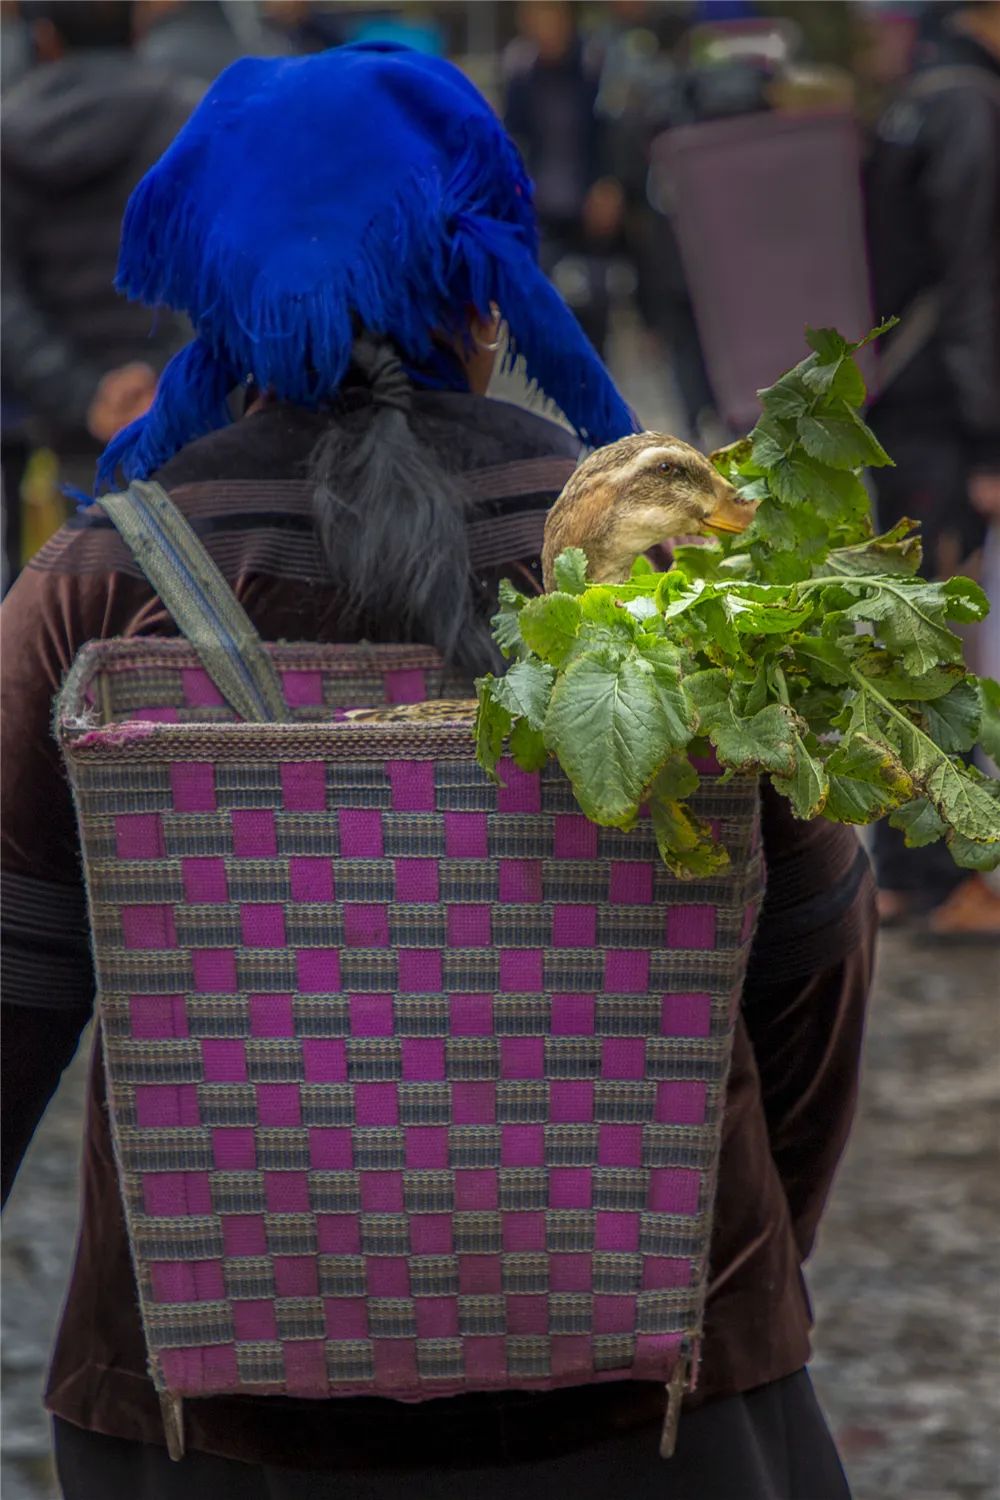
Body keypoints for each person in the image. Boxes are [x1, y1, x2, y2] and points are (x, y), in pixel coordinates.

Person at [1, 43, 872, 1500]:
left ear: (215, 293)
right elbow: (808, 969)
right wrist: (714, 1270)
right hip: (651, 1409)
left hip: (203, 1422)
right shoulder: (682, 566)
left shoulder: (97, 592)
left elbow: (12, 1000)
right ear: (483, 284)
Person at [865, 0, 1000, 936]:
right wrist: (991, 440)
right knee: (933, 651)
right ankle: (940, 876)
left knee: (908, 644)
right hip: (942, 422)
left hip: (899, 410)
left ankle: (908, 870)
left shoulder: (917, 97)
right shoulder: (969, 110)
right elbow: (974, 285)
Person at [0, 0, 196, 584]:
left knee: (64, 605)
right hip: (180, 417)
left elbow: (5, 300)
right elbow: (216, 270)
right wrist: (161, 376)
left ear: (45, 37)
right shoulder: (188, 117)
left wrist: (86, 395)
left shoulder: (7, 134)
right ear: (137, 24)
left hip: (60, 424)